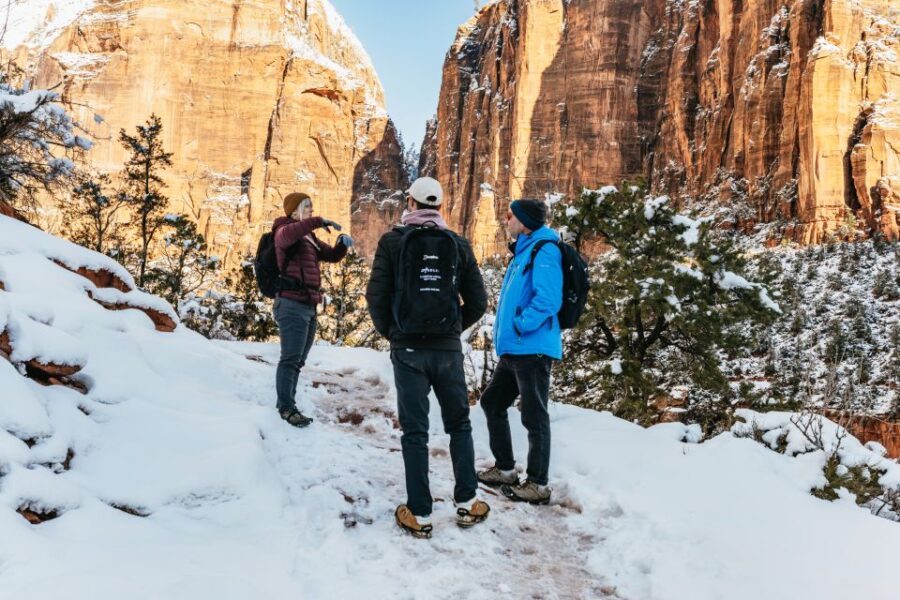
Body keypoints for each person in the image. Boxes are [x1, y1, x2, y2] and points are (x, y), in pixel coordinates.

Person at [366, 176, 490, 539]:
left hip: (407, 349)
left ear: (410, 202)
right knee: (459, 425)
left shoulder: (392, 241)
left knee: (415, 431)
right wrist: (451, 329)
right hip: (447, 350)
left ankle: (419, 513)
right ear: (439, 205)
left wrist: (395, 333)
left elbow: (377, 296)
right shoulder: (458, 244)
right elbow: (478, 303)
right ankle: (467, 502)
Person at [477, 199, 563, 505]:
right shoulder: (524, 250)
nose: (506, 219)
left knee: (534, 415)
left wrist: (521, 324)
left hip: (533, 348)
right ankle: (505, 469)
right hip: (516, 348)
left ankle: (538, 484)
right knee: (492, 402)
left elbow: (549, 300)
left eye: (511, 215)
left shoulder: (545, 250)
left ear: (525, 221)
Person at [272, 192, 353, 428]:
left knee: (298, 360)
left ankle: (290, 403)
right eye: (306, 206)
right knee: (290, 358)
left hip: (308, 304)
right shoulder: (283, 230)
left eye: (311, 206)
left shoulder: (309, 238)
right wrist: (319, 221)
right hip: (290, 304)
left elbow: (330, 256)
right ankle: (285, 408)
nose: (310, 209)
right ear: (294, 210)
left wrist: (341, 244)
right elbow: (289, 235)